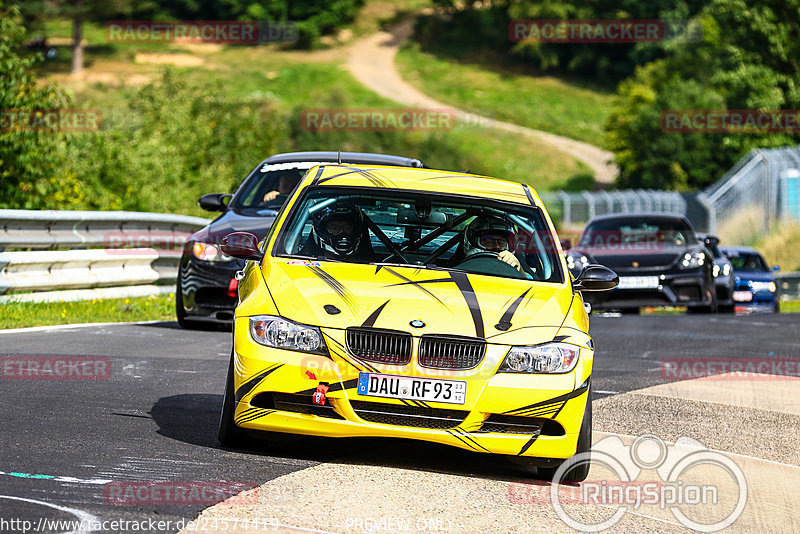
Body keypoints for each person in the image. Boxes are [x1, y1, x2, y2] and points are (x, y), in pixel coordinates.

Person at [300, 202, 373, 260]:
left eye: (347, 227)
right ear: (322, 230)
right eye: (334, 228)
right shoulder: (302, 262)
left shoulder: (372, 264)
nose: (342, 233)